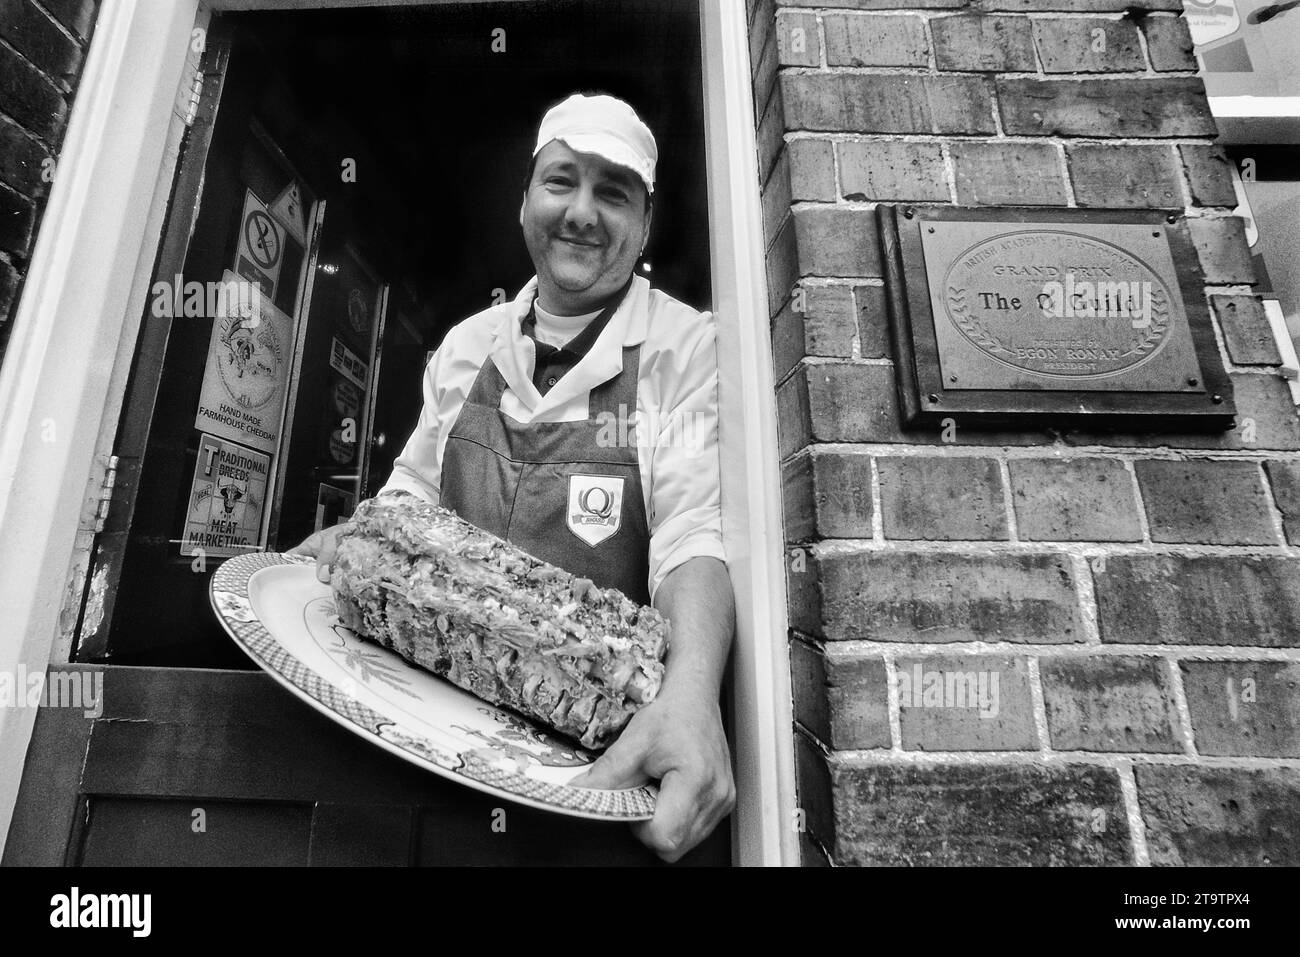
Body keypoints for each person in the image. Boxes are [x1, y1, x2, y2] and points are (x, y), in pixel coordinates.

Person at [291, 92, 735, 862]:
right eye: (561, 181)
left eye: (613, 192)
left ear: (645, 223)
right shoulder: (469, 344)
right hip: (420, 741)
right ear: (526, 198)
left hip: (584, 783)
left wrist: (693, 691)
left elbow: (693, 533)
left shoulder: (685, 348)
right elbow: (411, 497)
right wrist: (353, 538)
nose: (582, 213)